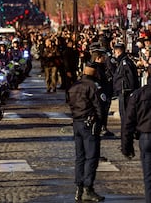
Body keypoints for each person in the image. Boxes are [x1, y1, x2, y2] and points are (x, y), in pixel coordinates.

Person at [66, 62, 105, 202]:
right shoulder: (93, 86)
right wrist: (100, 123)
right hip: (89, 124)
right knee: (91, 156)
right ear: (94, 73)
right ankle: (88, 187)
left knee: (80, 157)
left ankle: (79, 188)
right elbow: (100, 107)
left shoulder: (74, 86)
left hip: (77, 122)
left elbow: (69, 102)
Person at [121, 66, 151, 203]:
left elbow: (128, 122)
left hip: (146, 136)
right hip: (145, 135)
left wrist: (126, 146)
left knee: (148, 176)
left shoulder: (139, 94)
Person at [112, 42, 139, 124]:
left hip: (125, 91)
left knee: (125, 113)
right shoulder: (122, 61)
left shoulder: (125, 63)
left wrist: (128, 89)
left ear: (118, 52)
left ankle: (127, 132)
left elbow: (129, 77)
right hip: (123, 90)